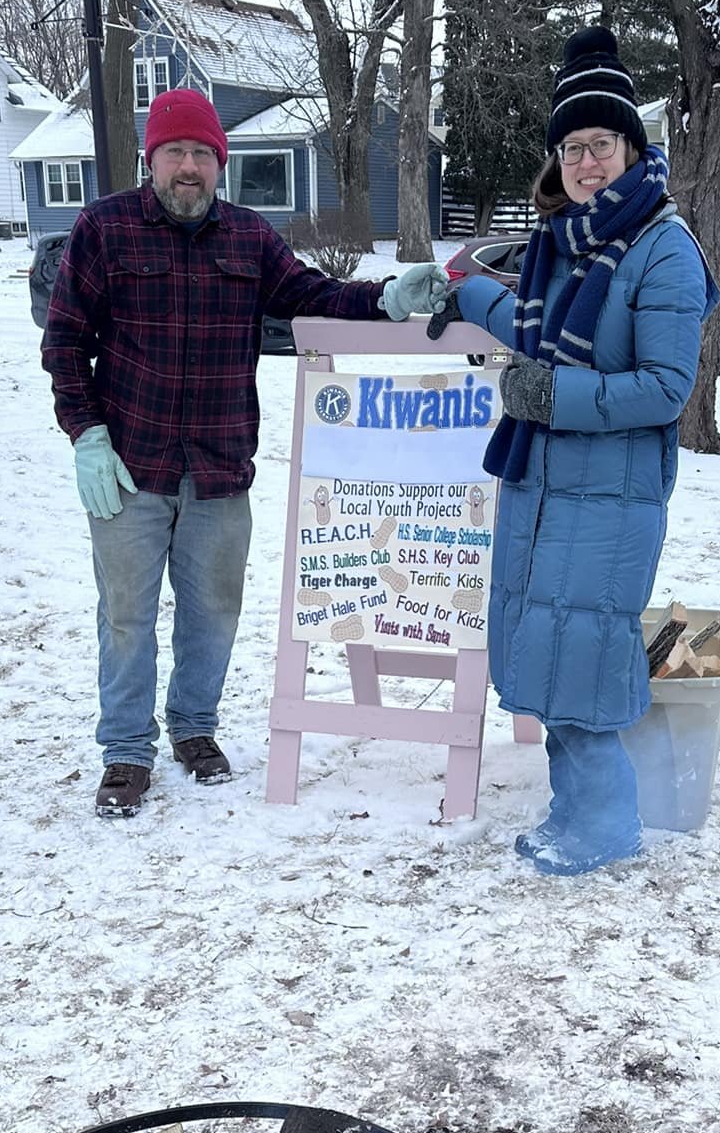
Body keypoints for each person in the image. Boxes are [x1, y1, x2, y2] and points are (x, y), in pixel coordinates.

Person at [43, 86, 447, 816]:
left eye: (203, 153)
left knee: (214, 612)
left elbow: (311, 294)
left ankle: (194, 729)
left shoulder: (249, 238)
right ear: (152, 159)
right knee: (127, 614)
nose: (189, 166)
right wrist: (88, 435)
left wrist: (386, 299)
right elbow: (65, 341)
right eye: (176, 152)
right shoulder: (103, 230)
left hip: (220, 468)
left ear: (220, 164)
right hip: (129, 467)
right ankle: (127, 748)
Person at [431, 27, 720, 877]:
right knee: (546, 647)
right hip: (544, 486)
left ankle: (605, 823)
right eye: (570, 148)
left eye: (599, 144)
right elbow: (531, 322)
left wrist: (550, 397)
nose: (585, 163)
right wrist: (456, 293)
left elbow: (666, 388)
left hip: (611, 493)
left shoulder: (663, 247)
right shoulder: (568, 239)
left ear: (632, 147)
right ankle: (574, 809)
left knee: (584, 656)